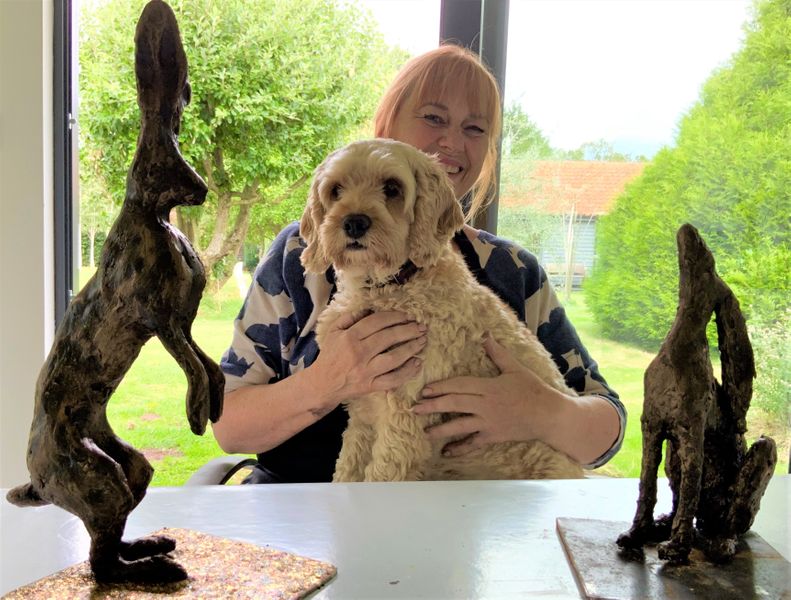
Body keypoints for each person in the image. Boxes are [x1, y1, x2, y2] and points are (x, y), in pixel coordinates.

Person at [214, 44, 626, 483]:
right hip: (296, 516)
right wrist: (327, 382)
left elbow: (607, 428)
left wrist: (544, 413)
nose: (452, 142)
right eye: (433, 117)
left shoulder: (512, 271)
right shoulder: (297, 261)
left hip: (479, 521)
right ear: (387, 125)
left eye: (475, 128)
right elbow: (228, 425)